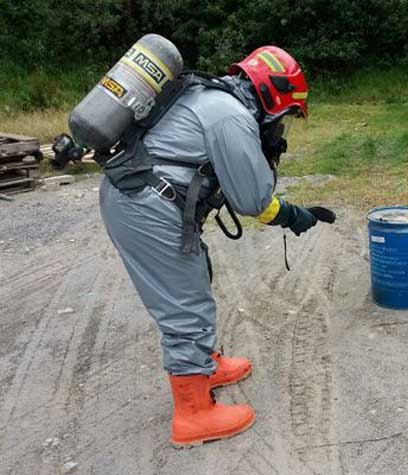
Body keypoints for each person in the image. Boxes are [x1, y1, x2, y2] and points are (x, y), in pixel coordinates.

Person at [99, 46, 333, 448]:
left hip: (143, 198)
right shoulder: (231, 115)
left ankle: (204, 363)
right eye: (287, 117)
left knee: (194, 278)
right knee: (183, 303)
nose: (282, 128)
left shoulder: (208, 96)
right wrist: (294, 216)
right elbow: (252, 199)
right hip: (147, 207)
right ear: (274, 99)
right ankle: (192, 415)